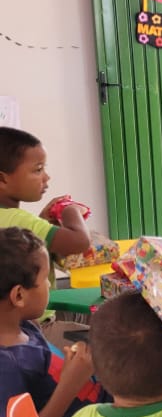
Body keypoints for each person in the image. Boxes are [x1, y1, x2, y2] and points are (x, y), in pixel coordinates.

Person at [0, 227, 106, 417]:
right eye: (45, 279)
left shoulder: (24, 325)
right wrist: (70, 385)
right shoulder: (7, 368)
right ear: (19, 295)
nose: (49, 285)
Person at [0, 126, 91, 325]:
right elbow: (79, 241)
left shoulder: (13, 221)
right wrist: (70, 210)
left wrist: (42, 219)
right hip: (36, 325)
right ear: (2, 179)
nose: (46, 177)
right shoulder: (19, 219)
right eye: (38, 169)